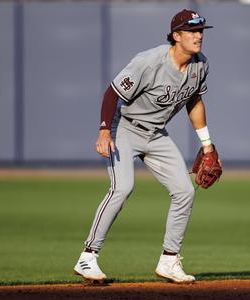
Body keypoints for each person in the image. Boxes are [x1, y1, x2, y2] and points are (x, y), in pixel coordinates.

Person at [73, 9, 216, 284]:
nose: (199, 36)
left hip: (156, 134)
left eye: (201, 31)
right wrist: (104, 129)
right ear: (176, 36)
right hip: (124, 129)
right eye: (192, 31)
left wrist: (207, 145)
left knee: (185, 191)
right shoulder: (149, 62)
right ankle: (87, 257)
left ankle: (169, 261)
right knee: (122, 188)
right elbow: (112, 92)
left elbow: (194, 101)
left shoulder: (201, 64)